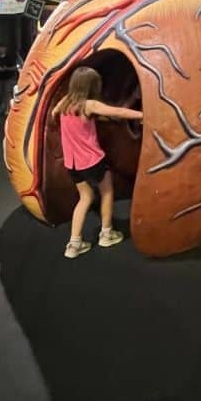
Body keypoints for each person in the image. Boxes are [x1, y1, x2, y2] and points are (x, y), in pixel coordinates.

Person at [51, 66, 143, 260]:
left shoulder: (65, 102)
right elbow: (117, 112)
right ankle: (106, 234)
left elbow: (55, 113)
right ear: (90, 86)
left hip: (73, 163)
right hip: (92, 161)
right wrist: (144, 115)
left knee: (84, 198)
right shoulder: (89, 105)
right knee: (107, 192)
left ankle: (74, 244)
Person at [0, 44, 17, 113]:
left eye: (3, 48)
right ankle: (2, 105)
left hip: (8, 78)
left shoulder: (10, 58)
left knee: (7, 93)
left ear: (5, 49)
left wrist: (7, 68)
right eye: (0, 48)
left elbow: (15, 67)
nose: (2, 50)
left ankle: (8, 110)